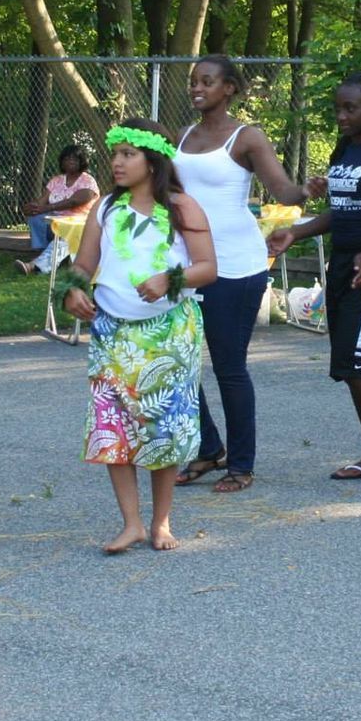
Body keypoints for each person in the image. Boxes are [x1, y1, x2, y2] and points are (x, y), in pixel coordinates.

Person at [62, 120, 218, 553]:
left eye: (128, 154)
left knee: (161, 426)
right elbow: (84, 262)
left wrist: (170, 279)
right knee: (114, 426)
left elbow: (207, 267)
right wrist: (72, 288)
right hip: (112, 331)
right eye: (115, 153)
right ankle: (130, 523)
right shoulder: (106, 209)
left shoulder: (183, 208)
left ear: (153, 161)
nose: (116, 161)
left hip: (168, 333)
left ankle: (161, 522)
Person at [269, 72, 361, 484]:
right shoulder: (344, 152)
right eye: (338, 108)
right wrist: (294, 232)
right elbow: (342, 213)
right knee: (344, 362)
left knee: (358, 359)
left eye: (350, 108)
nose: (341, 115)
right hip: (345, 262)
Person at [172, 56, 311, 493]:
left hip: (235, 265)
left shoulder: (245, 137)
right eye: (194, 81)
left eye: (207, 81)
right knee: (179, 363)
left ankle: (242, 464)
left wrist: (306, 191)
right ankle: (209, 448)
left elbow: (284, 188)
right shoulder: (182, 137)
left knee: (229, 368)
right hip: (186, 265)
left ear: (229, 88)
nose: (197, 88)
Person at [17, 145, 100, 275]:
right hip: (56, 221)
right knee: (36, 217)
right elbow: (42, 201)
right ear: (62, 161)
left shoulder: (87, 180)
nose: (70, 161)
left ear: (82, 161)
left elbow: (75, 201)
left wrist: (47, 208)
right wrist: (32, 208)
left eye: (75, 158)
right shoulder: (56, 180)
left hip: (79, 224)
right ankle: (40, 252)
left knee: (66, 238)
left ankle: (33, 266)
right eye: (67, 158)